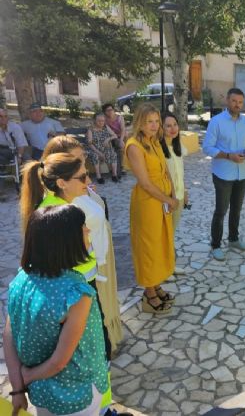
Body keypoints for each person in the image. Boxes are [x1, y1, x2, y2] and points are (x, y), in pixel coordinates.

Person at [4, 205, 109, 416]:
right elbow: (60, 361)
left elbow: (9, 336)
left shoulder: (20, 281)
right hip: (77, 396)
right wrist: (28, 376)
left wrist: (18, 386)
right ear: (66, 241)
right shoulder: (76, 292)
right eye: (84, 228)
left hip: (42, 395)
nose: (88, 231)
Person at [43, 135, 124, 352]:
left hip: (97, 258)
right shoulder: (60, 204)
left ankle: (110, 341)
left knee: (105, 304)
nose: (82, 166)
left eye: (82, 159)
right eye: (74, 159)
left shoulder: (77, 185)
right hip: (86, 268)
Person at [125, 103, 176, 314]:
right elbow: (145, 183)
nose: (154, 126)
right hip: (147, 204)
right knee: (148, 247)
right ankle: (149, 292)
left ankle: (155, 284)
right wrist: (169, 199)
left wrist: (172, 193)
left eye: (156, 121)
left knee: (159, 244)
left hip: (161, 201)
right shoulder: (134, 146)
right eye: (149, 122)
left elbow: (165, 170)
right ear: (140, 123)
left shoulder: (154, 141)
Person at [202, 88, 245, 261]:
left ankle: (233, 239)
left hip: (242, 173)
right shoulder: (216, 122)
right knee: (221, 210)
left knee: (237, 210)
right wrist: (228, 156)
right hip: (223, 174)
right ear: (227, 100)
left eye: (240, 102)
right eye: (234, 101)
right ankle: (215, 245)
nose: (237, 105)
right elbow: (207, 147)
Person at [161, 112, 189, 231]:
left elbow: (179, 173)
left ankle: (171, 250)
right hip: (165, 198)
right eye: (168, 126)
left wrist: (185, 191)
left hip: (179, 196)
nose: (173, 128)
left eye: (175, 124)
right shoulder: (158, 149)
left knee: (172, 231)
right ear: (161, 129)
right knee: (164, 233)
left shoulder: (178, 147)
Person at [86, 112, 119, 184]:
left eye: (103, 121)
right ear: (95, 120)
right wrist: (99, 153)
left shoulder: (106, 127)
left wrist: (108, 139)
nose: (101, 122)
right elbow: (90, 144)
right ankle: (99, 176)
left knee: (113, 153)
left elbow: (115, 135)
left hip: (105, 148)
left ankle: (114, 175)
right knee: (95, 156)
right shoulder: (90, 130)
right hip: (94, 149)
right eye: (99, 121)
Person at [102, 103, 126, 178]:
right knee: (115, 149)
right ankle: (117, 170)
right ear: (104, 112)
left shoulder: (119, 118)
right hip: (111, 138)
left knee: (120, 147)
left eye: (111, 110)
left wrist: (121, 140)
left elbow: (123, 129)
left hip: (120, 136)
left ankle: (120, 168)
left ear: (113, 110)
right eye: (107, 110)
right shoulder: (104, 119)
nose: (109, 112)